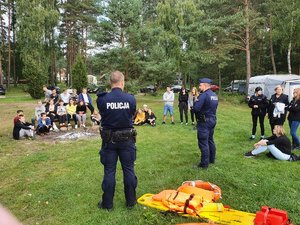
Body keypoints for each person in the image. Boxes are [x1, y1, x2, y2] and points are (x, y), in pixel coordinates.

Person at [96, 70, 137, 210]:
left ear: (110, 82)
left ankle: (107, 204)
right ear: (122, 82)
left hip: (109, 141)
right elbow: (131, 114)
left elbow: (102, 113)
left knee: (109, 171)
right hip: (127, 140)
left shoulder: (102, 99)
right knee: (129, 170)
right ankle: (131, 202)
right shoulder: (131, 99)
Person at [194, 78, 218, 169]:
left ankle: (204, 164)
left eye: (200, 85)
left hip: (204, 122)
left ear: (204, 85)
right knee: (210, 140)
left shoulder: (204, 95)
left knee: (203, 143)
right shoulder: (214, 95)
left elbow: (196, 109)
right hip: (212, 120)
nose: (199, 87)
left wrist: (195, 104)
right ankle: (212, 159)